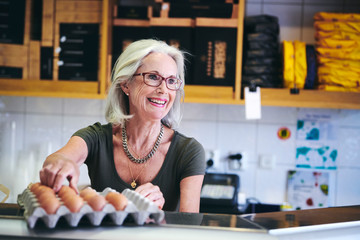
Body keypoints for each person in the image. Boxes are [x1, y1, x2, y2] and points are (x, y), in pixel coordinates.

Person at [39, 39, 206, 212]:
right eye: (153, 77)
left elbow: (189, 227)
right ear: (126, 84)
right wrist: (61, 164)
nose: (164, 89)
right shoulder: (96, 138)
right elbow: (58, 159)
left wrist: (158, 213)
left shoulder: (188, 152)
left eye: (171, 81)